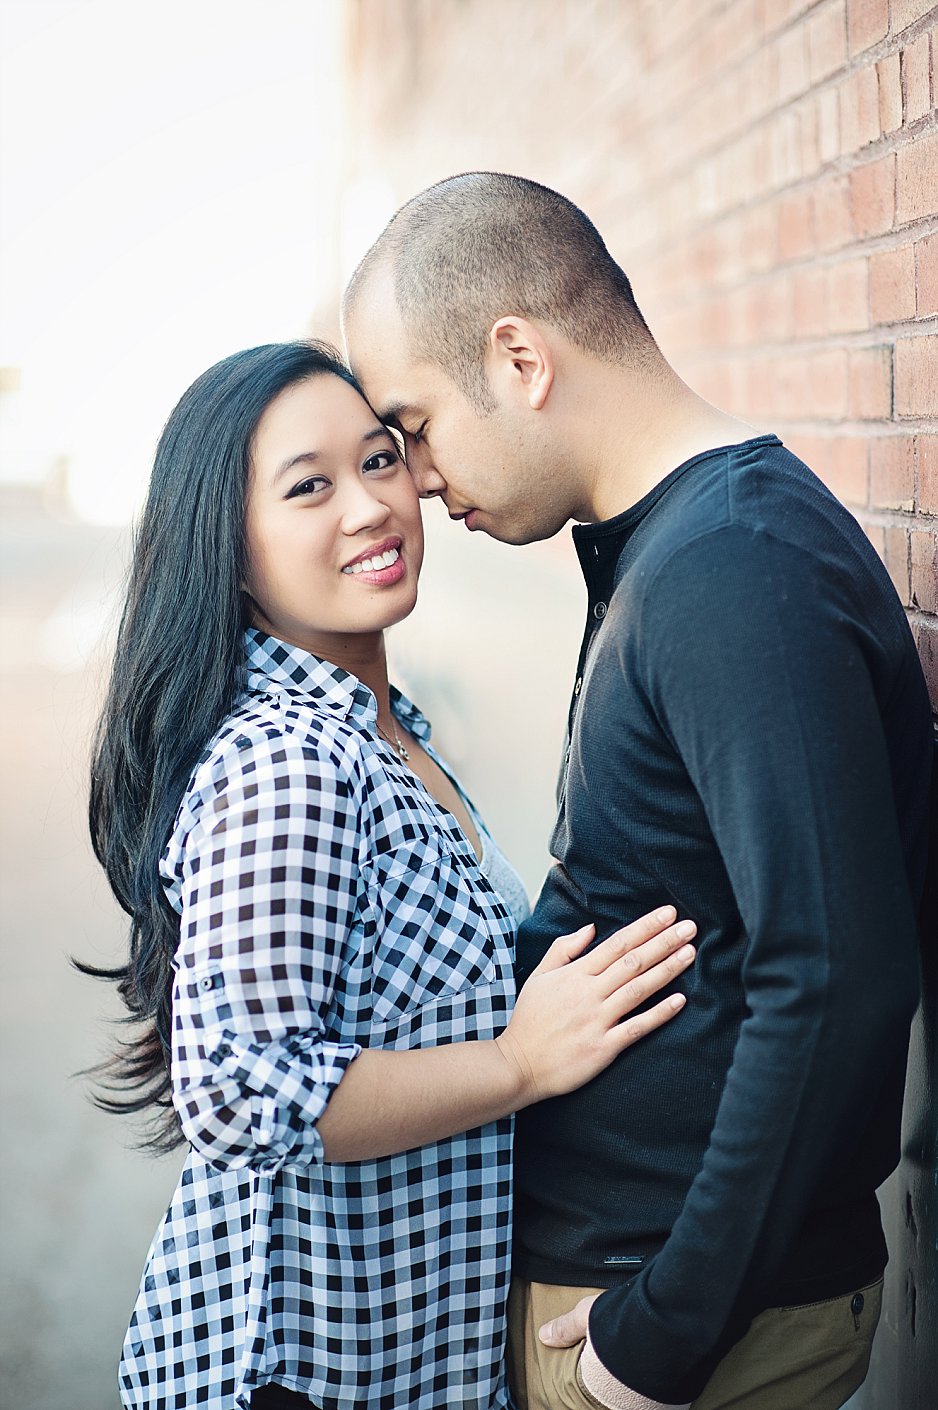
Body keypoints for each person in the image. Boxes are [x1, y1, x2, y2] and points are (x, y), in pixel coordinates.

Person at [341, 172, 934, 1410]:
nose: (417, 479)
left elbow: (835, 974)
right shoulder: (672, 551)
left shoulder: (732, 569)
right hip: (635, 1293)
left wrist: (655, 1343)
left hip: (682, 1330)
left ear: (518, 359)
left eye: (416, 424)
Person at [83, 340, 697, 1410]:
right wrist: (517, 1063)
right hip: (294, 1372)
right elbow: (238, 1087)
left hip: (401, 1360)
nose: (370, 507)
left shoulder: (380, 730)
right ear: (229, 548)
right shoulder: (290, 760)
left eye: (379, 461)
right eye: (308, 487)